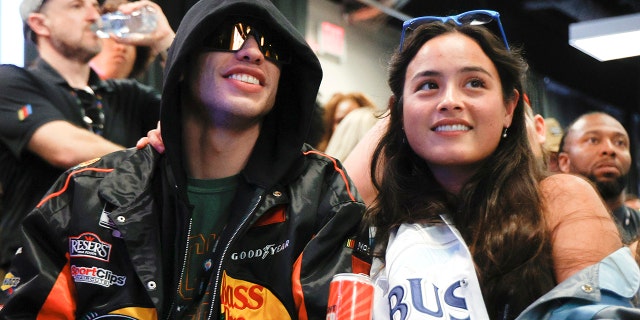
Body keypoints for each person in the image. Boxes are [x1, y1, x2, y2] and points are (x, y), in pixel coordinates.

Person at [0, 0, 365, 318]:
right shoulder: (81, 190)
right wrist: (130, 166)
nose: (253, 52)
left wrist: (164, 39)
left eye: (271, 47)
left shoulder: (322, 194)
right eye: (229, 37)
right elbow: (63, 146)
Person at [353, 11, 637, 319]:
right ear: (398, 112)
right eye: (428, 85)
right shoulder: (378, 220)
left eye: (474, 83)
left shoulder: (559, 199)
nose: (450, 101)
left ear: (509, 108)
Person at [0, 0, 173, 278]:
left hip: (114, 277)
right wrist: (151, 164)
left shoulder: (126, 95)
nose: (94, 15)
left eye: (94, 5)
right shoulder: (11, 81)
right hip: (32, 275)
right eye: (76, 6)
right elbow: (65, 148)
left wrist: (165, 40)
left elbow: (200, 111)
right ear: (39, 24)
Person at [557, 112, 640, 245]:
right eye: (593, 140)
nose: (609, 149)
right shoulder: (541, 231)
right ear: (565, 162)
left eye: (620, 142)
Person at [88, 0, 155, 80]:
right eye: (113, 38)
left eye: (129, 40)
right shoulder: (72, 90)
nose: (122, 47)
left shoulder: (142, 92)